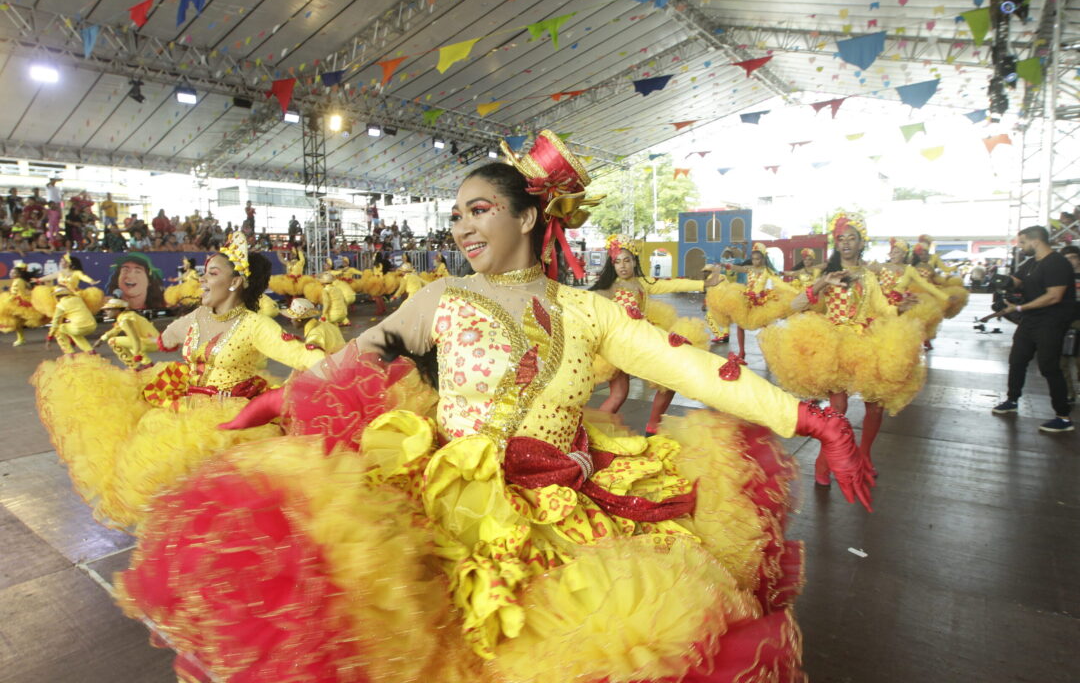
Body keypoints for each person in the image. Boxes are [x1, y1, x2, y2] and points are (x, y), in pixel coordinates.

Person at [114, 131, 872, 683]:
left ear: (530, 218)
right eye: (455, 217)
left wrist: (813, 420)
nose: (463, 228)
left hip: (566, 511)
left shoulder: (592, 311)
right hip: (446, 500)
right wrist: (280, 399)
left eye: (478, 210)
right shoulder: (441, 297)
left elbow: (697, 369)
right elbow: (357, 355)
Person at [32, 232, 328, 532]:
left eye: (212, 274)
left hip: (234, 420)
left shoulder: (255, 324)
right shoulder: (196, 316)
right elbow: (159, 341)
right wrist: (127, 338)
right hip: (183, 412)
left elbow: (299, 355)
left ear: (235, 282)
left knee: (231, 515)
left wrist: (349, 365)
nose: (202, 280)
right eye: (203, 273)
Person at [759, 212, 927, 483]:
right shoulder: (827, 274)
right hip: (834, 343)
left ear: (862, 243)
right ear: (836, 244)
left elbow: (882, 309)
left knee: (876, 404)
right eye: (841, 239)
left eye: (852, 238)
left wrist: (899, 309)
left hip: (864, 342)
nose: (846, 243)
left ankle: (865, 456)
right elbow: (796, 305)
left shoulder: (870, 277)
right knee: (838, 405)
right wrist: (823, 283)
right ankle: (824, 463)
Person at [590, 233, 719, 433]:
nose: (622, 266)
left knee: (630, 391)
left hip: (639, 342)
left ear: (634, 261)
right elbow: (588, 306)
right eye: (617, 262)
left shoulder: (644, 283)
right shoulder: (607, 288)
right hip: (620, 346)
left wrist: (704, 284)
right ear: (612, 265)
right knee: (629, 391)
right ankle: (597, 435)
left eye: (627, 260)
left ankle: (649, 427)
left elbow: (672, 284)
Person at [992, 226, 1078, 432]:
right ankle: (1012, 400)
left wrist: (1020, 307)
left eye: (1022, 243)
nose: (1020, 247)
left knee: (1049, 367)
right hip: (1030, 321)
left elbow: (1054, 296)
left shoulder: (1057, 263)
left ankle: (1063, 417)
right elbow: (1018, 280)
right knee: (1017, 360)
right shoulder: (1032, 263)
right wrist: (1003, 281)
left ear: (1035, 241)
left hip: (1051, 321)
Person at [706, 241, 797, 359]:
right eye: (753, 259)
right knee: (740, 324)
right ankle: (742, 352)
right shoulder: (749, 268)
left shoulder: (767, 271)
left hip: (761, 301)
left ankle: (769, 351)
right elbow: (737, 268)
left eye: (758, 259)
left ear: (763, 258)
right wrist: (724, 265)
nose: (755, 261)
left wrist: (794, 292)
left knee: (766, 327)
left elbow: (779, 283)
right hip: (747, 298)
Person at [31, 253, 105, 317]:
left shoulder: (76, 273)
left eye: (62, 261)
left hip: (72, 293)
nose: (60, 263)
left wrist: (91, 281)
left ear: (69, 263)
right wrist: (38, 280)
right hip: (59, 293)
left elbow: (83, 277)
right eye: (61, 261)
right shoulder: (60, 273)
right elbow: (50, 276)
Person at [95, 298, 159, 369]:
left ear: (117, 310)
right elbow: (115, 330)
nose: (106, 312)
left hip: (149, 343)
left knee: (113, 341)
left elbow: (135, 339)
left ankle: (135, 367)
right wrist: (101, 339)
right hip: (154, 342)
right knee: (128, 344)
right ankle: (147, 364)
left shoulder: (125, 320)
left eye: (109, 309)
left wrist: (136, 355)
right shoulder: (126, 316)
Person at [0, 262, 46, 346]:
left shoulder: (19, 281)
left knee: (18, 321)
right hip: (14, 301)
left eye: (13, 272)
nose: (11, 273)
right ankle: (20, 338)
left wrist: (20, 302)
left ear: (19, 273)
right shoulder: (17, 280)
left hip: (17, 302)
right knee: (17, 321)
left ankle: (21, 338)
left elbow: (22, 294)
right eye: (11, 272)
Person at [280, 297, 346, 353]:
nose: (291, 321)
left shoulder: (314, 335)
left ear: (299, 319)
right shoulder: (326, 324)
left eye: (292, 318)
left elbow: (315, 359)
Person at [46, 286, 96, 354]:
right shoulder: (78, 299)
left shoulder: (61, 305)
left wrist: (50, 336)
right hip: (92, 326)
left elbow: (55, 322)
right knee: (73, 332)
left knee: (58, 329)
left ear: (58, 297)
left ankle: (69, 352)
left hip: (78, 327)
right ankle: (90, 351)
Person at [1059, 245, 1080, 402]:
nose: (1070, 261)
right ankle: (1068, 393)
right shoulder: (1060, 277)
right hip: (1063, 321)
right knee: (1062, 360)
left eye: (1073, 257)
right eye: (1066, 259)